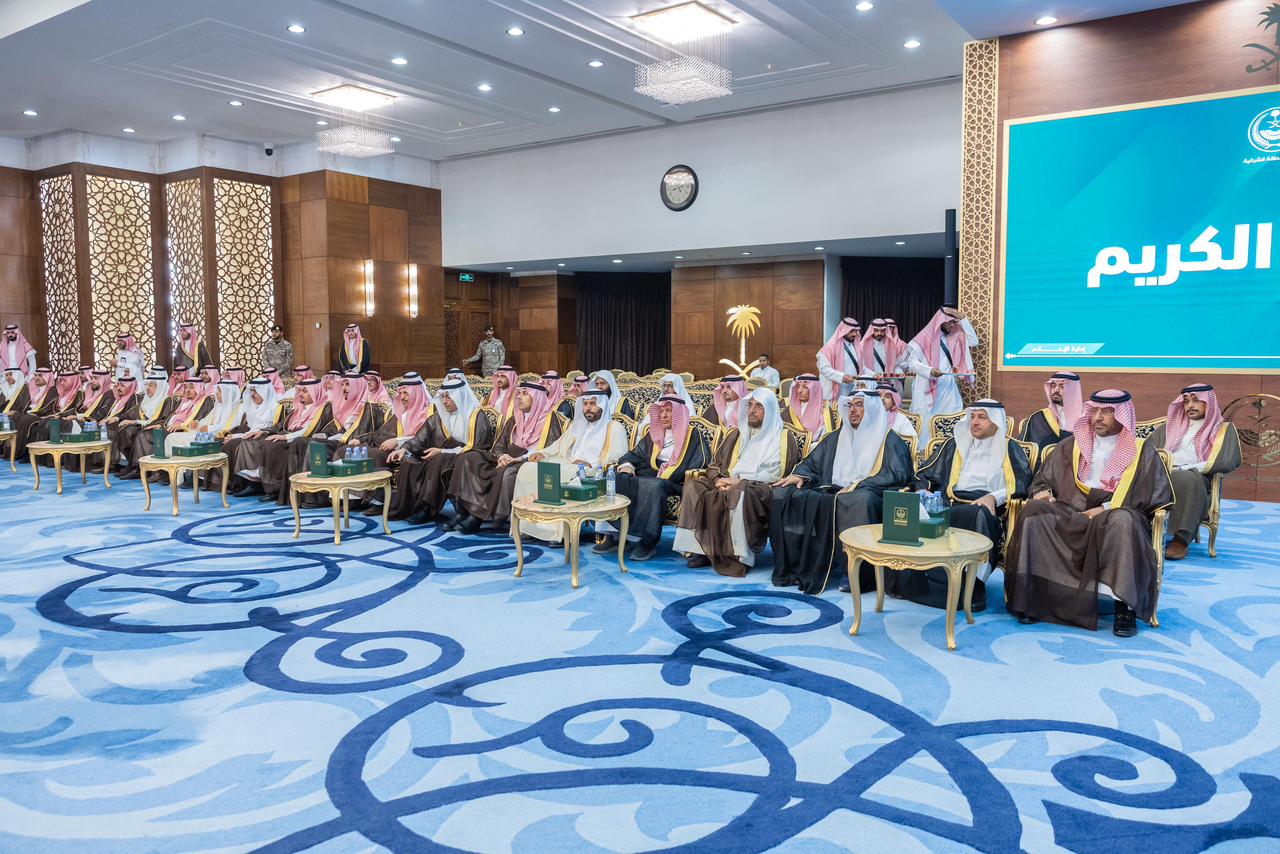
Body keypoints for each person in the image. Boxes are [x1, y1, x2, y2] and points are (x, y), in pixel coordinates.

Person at [1004, 390, 1173, 637]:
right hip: (1071, 508)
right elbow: (1042, 480)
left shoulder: (1141, 451)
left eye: (1107, 412)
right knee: (1034, 512)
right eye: (1095, 411)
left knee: (1123, 521)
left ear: (1123, 416)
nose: (1098, 417)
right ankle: (1034, 598)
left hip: (1116, 510)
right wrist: (1042, 493)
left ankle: (1124, 607)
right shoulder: (1071, 446)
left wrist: (1105, 508)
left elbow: (1149, 496)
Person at [770, 392, 916, 594]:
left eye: (859, 405)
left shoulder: (889, 439)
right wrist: (800, 475)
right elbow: (813, 462)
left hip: (870, 493)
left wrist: (858, 484)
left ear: (873, 409)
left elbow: (897, 474)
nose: (852, 410)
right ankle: (797, 565)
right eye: (849, 406)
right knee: (784, 494)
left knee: (857, 500)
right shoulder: (836, 437)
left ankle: (854, 571)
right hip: (832, 489)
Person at [907, 400, 1033, 611]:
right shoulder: (954, 444)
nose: (975, 422)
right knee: (912, 507)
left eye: (982, 417)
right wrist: (923, 490)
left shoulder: (1010, 447)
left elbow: (1023, 483)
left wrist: (993, 497)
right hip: (949, 503)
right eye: (972, 417)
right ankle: (927, 583)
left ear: (995, 422)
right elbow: (924, 474)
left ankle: (973, 586)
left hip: (986, 507)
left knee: (977, 514)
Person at [674, 388, 800, 577]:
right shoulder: (736, 435)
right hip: (729, 481)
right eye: (750, 405)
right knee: (694, 486)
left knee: (740, 492)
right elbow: (715, 464)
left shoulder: (784, 437)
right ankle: (701, 549)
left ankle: (738, 556)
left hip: (761, 488)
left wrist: (740, 481)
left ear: (770, 410)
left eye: (759, 406)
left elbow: (780, 473)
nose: (752, 411)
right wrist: (718, 480)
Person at [511, 389, 630, 542]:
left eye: (592, 404)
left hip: (593, 470)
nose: (588, 408)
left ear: (602, 405)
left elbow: (618, 455)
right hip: (569, 463)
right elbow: (557, 446)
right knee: (528, 468)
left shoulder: (614, 427)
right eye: (585, 404)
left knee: (563, 473)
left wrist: (591, 463)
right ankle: (532, 525)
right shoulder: (577, 425)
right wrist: (542, 454)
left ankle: (557, 533)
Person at [600, 396, 709, 561]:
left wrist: (666, 470)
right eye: (661, 411)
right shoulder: (654, 433)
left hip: (676, 480)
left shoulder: (693, 435)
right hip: (651, 475)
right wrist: (628, 465)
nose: (663, 415)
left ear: (679, 414)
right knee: (613, 477)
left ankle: (647, 542)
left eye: (669, 411)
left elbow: (700, 462)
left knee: (653, 486)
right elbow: (634, 454)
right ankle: (613, 534)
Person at [447, 380, 563, 534]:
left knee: (506, 472)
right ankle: (463, 511)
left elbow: (549, 451)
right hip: (505, 459)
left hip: (528, 463)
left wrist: (517, 459)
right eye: (519, 393)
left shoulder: (550, 421)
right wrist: (502, 456)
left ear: (537, 398)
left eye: (525, 394)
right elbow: (499, 445)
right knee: (468, 458)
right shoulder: (514, 419)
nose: (519, 397)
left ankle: (477, 516)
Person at [1152, 384, 1242, 560]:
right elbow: (1149, 452)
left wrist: (1187, 467)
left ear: (1209, 403)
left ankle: (1181, 540)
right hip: (1162, 472)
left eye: (1196, 401)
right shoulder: (1168, 427)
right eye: (1186, 401)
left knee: (1186, 478)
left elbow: (1226, 460)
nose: (1190, 405)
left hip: (1197, 476)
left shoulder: (1222, 430)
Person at [386, 378, 494, 524]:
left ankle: (426, 508)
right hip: (441, 454)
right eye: (443, 397)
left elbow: (477, 447)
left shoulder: (476, 416)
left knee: (440, 460)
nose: (444, 401)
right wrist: (405, 449)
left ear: (459, 397)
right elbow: (421, 436)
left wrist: (443, 452)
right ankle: (408, 508)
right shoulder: (440, 415)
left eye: (448, 397)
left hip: (467, 458)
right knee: (409, 461)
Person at [231, 378, 336, 504]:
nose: (301, 394)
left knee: (271, 447)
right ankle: (254, 484)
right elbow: (281, 424)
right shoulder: (299, 407)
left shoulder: (324, 409)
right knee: (253, 441)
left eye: (305, 391)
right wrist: (264, 431)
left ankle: (274, 489)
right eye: (300, 391)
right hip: (287, 435)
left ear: (316, 392)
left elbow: (310, 430)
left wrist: (286, 437)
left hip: (301, 439)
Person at [904, 305, 978, 447]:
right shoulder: (924, 338)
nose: (952, 325)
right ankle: (924, 453)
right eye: (949, 322)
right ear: (940, 321)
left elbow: (974, 341)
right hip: (925, 387)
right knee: (926, 424)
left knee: (952, 418)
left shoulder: (956, 337)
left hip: (948, 387)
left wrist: (962, 318)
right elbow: (911, 363)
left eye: (954, 322)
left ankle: (948, 451)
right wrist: (930, 371)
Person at [225, 378, 285, 496]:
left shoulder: (275, 408)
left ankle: (253, 484)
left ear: (265, 392)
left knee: (247, 442)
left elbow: (271, 428)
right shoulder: (253, 407)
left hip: (266, 435)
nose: (252, 395)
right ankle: (236, 484)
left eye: (256, 391)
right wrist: (235, 435)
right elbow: (250, 428)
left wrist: (238, 436)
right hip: (254, 434)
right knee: (231, 444)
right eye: (251, 391)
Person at [113, 370, 175, 476]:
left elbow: (162, 420)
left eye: (151, 385)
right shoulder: (146, 399)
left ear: (160, 387)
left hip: (155, 428)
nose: (147, 388)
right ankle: (132, 466)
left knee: (140, 435)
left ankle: (139, 468)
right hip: (143, 425)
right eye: (146, 385)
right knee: (125, 431)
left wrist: (136, 421)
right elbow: (132, 412)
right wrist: (118, 418)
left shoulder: (167, 400)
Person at [1021, 372, 1083, 453]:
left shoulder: (1085, 417)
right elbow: (1024, 449)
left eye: (1062, 386)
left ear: (1073, 391)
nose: (1056, 390)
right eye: (1053, 386)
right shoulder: (1039, 417)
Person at [816, 317, 863, 400]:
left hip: (852, 391)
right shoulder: (829, 348)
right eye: (851, 331)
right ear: (843, 330)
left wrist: (873, 374)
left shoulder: (857, 347)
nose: (854, 334)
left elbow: (862, 367)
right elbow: (824, 368)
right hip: (834, 392)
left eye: (856, 331)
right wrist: (842, 376)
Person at [783, 373, 835, 443]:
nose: (799, 391)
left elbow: (828, 440)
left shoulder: (825, 411)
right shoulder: (789, 411)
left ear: (814, 389)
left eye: (805, 387)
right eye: (798, 386)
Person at [858, 318, 908, 385]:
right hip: (869, 383)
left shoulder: (891, 347)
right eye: (876, 330)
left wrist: (899, 373)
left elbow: (896, 365)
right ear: (872, 330)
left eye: (882, 331)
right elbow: (862, 366)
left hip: (886, 384)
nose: (879, 333)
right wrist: (874, 375)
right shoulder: (862, 346)